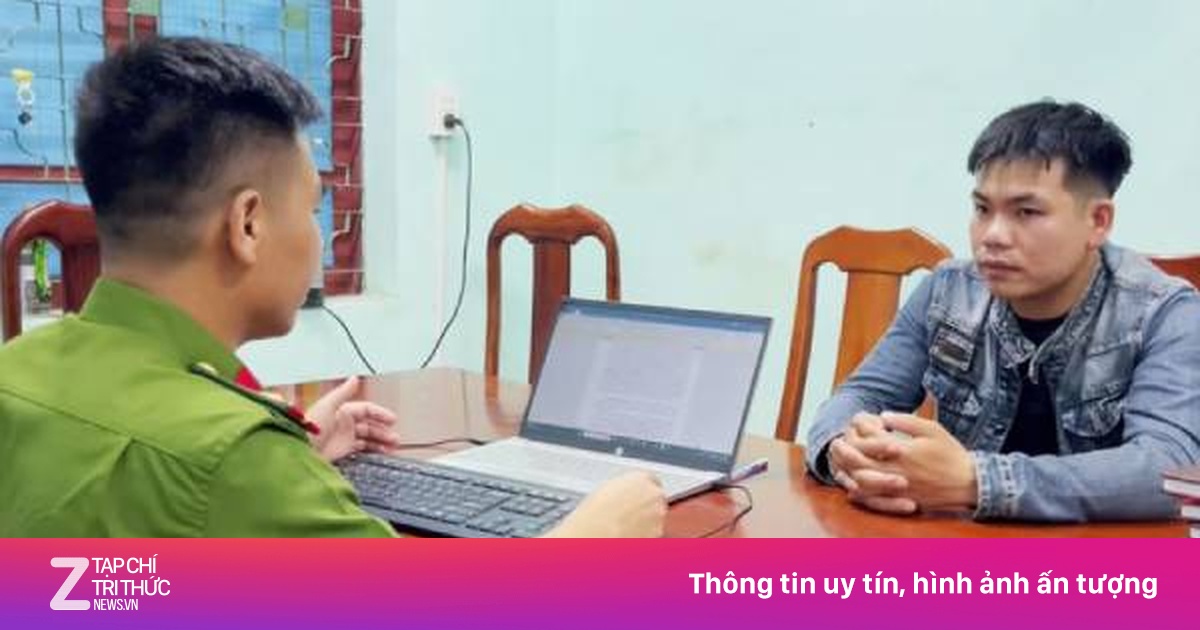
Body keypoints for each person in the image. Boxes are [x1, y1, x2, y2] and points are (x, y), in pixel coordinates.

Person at [0, 37, 666, 537]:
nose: (319, 240)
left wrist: (293, 460)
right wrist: (592, 537)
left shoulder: (17, 374)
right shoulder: (240, 464)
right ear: (248, 224)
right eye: (313, 210)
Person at [806, 100, 1200, 521]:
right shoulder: (948, 290)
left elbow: (1166, 468)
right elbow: (860, 396)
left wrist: (976, 481)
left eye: (1026, 212)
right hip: (962, 547)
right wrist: (846, 452)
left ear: (1098, 222)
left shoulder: (1167, 314)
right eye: (982, 209)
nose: (992, 236)